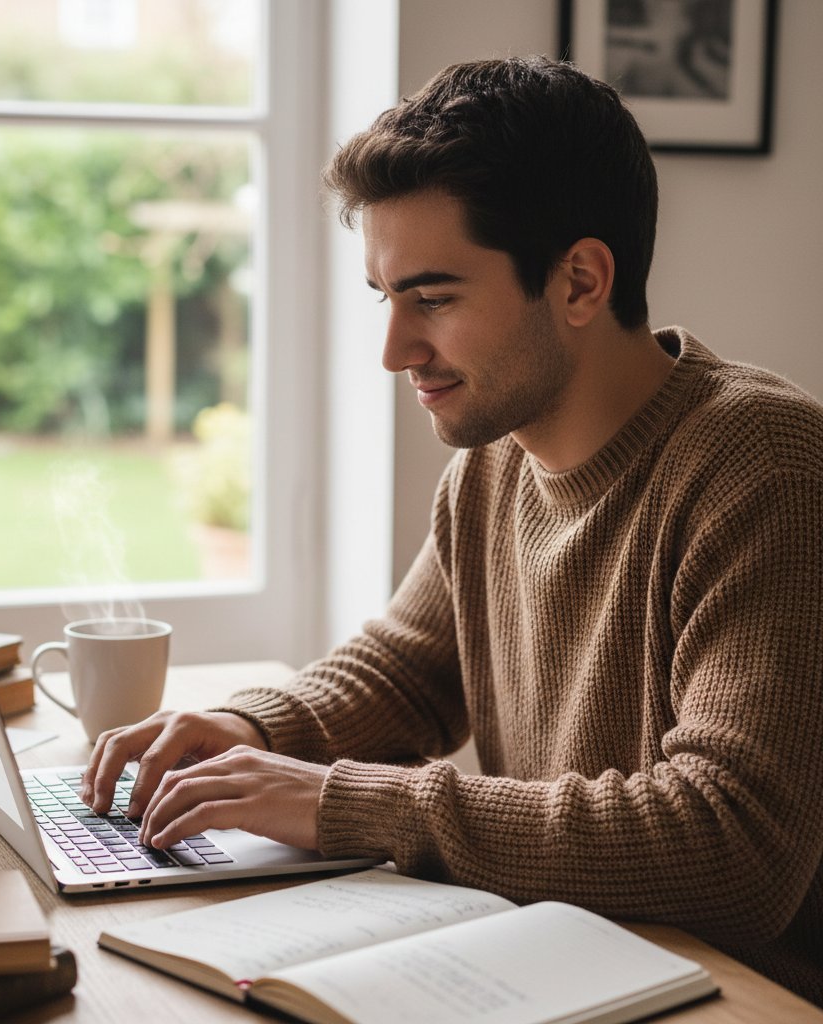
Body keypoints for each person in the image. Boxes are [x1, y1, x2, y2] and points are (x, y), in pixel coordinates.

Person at [81, 56, 823, 1005]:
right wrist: (244, 731)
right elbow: (407, 673)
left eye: (432, 298)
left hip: (735, 996)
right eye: (385, 299)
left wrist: (340, 804)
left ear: (581, 282)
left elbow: (732, 842)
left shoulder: (763, 464)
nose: (395, 351)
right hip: (569, 969)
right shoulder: (493, 461)